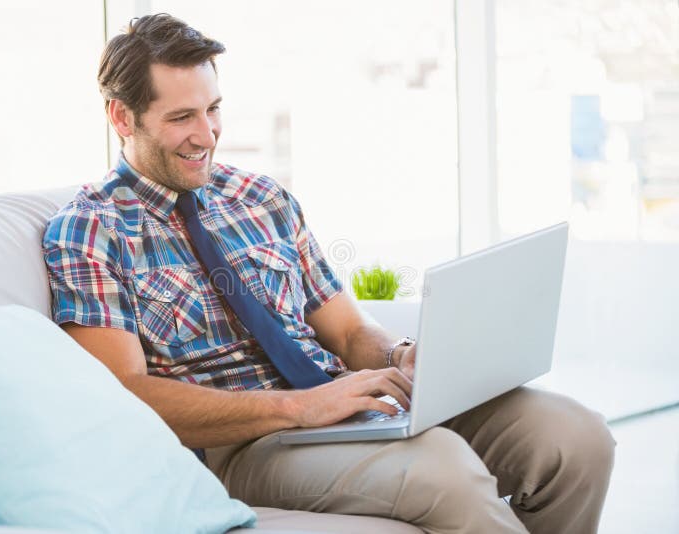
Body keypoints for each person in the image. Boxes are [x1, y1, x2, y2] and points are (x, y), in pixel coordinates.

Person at [43, 13, 615, 534]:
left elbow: (345, 333)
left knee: (574, 435)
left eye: (213, 108)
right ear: (122, 116)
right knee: (446, 472)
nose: (207, 134)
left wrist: (399, 358)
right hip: (243, 443)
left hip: (345, 405)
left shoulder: (259, 197)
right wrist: (299, 409)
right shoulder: (90, 230)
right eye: (181, 117)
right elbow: (126, 394)